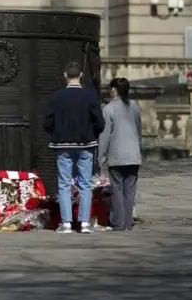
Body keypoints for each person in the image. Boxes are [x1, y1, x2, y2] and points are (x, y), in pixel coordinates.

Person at [44, 62, 105, 234]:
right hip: (86, 144)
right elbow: (100, 122)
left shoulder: (56, 97)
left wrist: (56, 133)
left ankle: (66, 223)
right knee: (85, 184)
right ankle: (84, 222)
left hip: (63, 145)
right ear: (81, 75)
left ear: (65, 75)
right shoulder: (90, 95)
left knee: (64, 184)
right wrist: (92, 133)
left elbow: (47, 122)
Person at [98, 78, 142, 231]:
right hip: (133, 155)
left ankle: (118, 222)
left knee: (117, 190)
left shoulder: (109, 109)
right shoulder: (135, 107)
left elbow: (105, 136)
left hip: (116, 156)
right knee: (130, 191)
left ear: (114, 90)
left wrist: (101, 156)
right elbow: (139, 132)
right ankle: (128, 222)